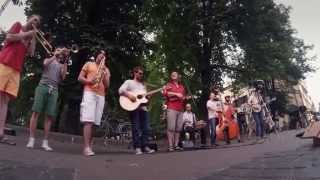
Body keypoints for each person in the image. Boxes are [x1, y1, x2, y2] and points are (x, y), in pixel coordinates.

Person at [0, 15, 41, 144]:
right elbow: (9, 37)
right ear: (29, 19)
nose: (35, 22)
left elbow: (31, 53)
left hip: (16, 70)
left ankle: (0, 133)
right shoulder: (18, 25)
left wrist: (33, 37)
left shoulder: (29, 37)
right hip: (5, 64)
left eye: (38, 22)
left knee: (5, 101)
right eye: (34, 19)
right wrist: (27, 33)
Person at [26, 47, 69, 151]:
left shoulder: (62, 64)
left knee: (49, 116)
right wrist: (55, 55)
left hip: (54, 90)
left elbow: (63, 77)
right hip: (42, 87)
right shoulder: (48, 59)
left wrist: (66, 59)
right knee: (36, 112)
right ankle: (31, 139)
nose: (60, 52)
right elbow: (45, 64)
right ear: (54, 51)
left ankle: (45, 142)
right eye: (58, 50)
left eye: (61, 51)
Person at [78, 50, 110, 156]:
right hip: (89, 92)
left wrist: (105, 74)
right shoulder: (89, 64)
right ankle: (86, 147)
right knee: (88, 120)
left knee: (96, 123)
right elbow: (80, 78)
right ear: (97, 56)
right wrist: (89, 82)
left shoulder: (106, 69)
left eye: (104, 56)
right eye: (100, 55)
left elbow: (107, 85)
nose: (101, 56)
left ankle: (90, 145)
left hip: (101, 95)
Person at [118, 66, 155, 155]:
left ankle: (145, 146)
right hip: (133, 108)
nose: (141, 75)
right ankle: (137, 147)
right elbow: (120, 90)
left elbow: (144, 99)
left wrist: (148, 97)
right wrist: (129, 95)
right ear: (135, 73)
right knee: (136, 128)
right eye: (139, 73)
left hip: (143, 108)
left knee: (146, 128)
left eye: (142, 74)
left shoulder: (143, 86)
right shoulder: (129, 82)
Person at [163, 71, 188, 152]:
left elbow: (183, 97)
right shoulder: (169, 85)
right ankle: (171, 146)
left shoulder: (182, 87)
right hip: (171, 108)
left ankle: (176, 145)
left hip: (180, 109)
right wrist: (177, 94)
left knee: (178, 128)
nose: (173, 74)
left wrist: (185, 98)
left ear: (178, 76)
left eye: (175, 74)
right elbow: (167, 94)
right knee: (171, 127)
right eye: (172, 74)